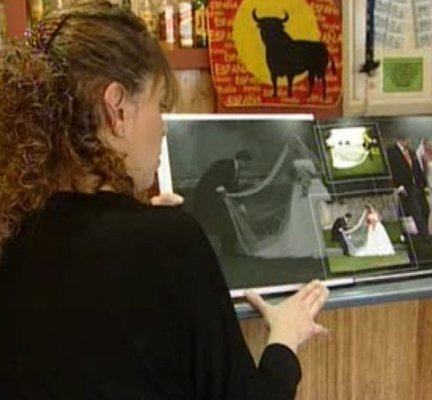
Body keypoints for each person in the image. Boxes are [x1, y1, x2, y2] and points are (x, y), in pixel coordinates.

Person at [0, 2, 329, 398]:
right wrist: (284, 341)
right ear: (117, 108)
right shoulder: (169, 243)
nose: (163, 129)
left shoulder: (12, 228)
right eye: (159, 106)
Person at [252, 158, 330, 259]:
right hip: (299, 188)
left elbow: (318, 172)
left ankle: (314, 243)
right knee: (300, 217)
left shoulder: (311, 158)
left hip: (309, 188)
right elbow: (291, 175)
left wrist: (310, 177)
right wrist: (300, 178)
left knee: (312, 217)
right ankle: (301, 243)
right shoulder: (294, 161)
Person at [189, 149, 252, 253]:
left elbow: (234, 187)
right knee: (223, 220)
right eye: (247, 163)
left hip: (215, 198)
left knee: (226, 221)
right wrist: (218, 186)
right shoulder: (225, 165)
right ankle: (227, 248)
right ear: (241, 160)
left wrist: (241, 203)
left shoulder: (235, 169)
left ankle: (228, 248)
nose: (248, 166)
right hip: (206, 197)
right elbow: (211, 177)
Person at [387, 135, 430, 240]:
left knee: (425, 209)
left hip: (417, 185)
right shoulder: (392, 152)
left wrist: (423, 183)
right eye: (408, 140)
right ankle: (425, 236)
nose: (409, 142)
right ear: (401, 140)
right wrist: (399, 186)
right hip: (406, 186)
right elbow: (393, 170)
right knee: (416, 211)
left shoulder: (411, 151)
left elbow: (417, 168)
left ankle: (419, 232)